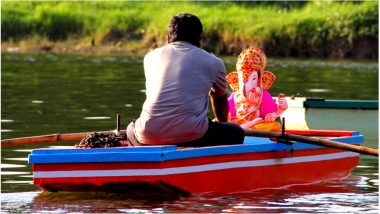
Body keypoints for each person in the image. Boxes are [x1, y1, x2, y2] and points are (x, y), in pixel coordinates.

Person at [126, 13, 244, 147]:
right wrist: (222, 124)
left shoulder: (150, 57)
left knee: (131, 128)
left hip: (147, 135)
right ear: (200, 38)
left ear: (168, 38)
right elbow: (220, 99)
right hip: (193, 135)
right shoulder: (214, 62)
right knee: (236, 132)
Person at [226, 46, 288, 131]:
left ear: (259, 79)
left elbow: (276, 111)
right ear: (237, 79)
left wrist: (282, 107)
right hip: (239, 126)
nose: (247, 85)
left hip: (257, 128)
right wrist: (226, 115)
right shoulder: (235, 97)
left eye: (253, 78)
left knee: (272, 126)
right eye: (242, 79)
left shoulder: (262, 96)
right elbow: (225, 110)